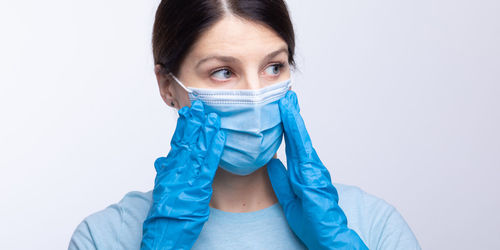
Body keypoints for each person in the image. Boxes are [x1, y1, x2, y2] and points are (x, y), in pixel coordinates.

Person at [69, 0, 421, 249]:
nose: (256, 95)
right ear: (167, 86)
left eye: (274, 68)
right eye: (223, 72)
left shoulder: (372, 226)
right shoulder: (105, 238)